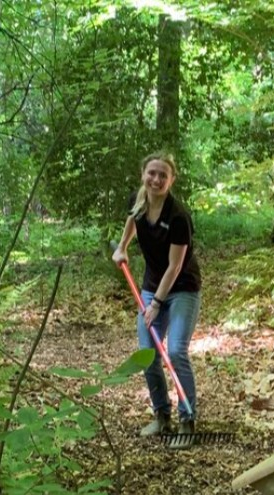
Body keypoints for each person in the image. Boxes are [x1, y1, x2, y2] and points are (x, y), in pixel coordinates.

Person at [113, 152, 202, 449]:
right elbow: (132, 221)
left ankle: (187, 421)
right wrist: (122, 247)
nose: (156, 179)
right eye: (152, 173)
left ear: (171, 180)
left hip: (182, 288)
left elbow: (175, 267)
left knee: (175, 350)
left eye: (163, 175)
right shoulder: (137, 201)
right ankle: (161, 415)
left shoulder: (178, 217)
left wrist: (155, 305)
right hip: (152, 286)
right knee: (147, 352)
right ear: (143, 174)